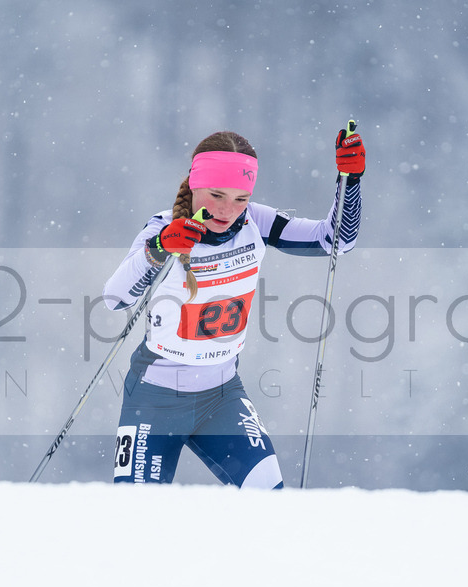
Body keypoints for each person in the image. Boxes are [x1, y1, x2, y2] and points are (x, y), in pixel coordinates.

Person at [102, 125, 365, 488]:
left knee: (269, 499)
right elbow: (115, 299)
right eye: (217, 195)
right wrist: (158, 250)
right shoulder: (163, 228)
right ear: (195, 185)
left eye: (241, 198)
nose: (229, 209)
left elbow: (334, 240)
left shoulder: (256, 221)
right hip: (154, 400)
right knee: (139, 521)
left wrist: (350, 181)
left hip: (221, 397)